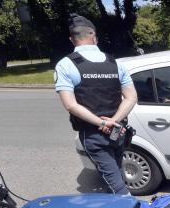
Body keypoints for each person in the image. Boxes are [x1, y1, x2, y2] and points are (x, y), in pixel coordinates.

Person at [55, 14, 138, 196]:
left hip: (94, 134)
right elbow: (131, 97)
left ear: (72, 39)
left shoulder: (66, 65)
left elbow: (70, 105)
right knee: (116, 175)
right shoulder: (115, 63)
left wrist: (102, 124)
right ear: (95, 36)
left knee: (117, 185)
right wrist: (113, 121)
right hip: (118, 130)